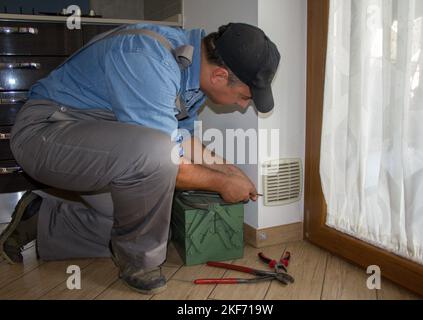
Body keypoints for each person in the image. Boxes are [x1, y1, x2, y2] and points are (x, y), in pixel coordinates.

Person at [0, 22, 280, 294]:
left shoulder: (191, 73)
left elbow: (182, 138)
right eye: (245, 97)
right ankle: (137, 264)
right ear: (219, 76)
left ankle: (41, 219)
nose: (244, 105)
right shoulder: (150, 59)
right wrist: (221, 184)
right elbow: (168, 161)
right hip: (44, 133)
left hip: (100, 142)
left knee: (149, 226)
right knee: (155, 160)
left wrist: (230, 171)